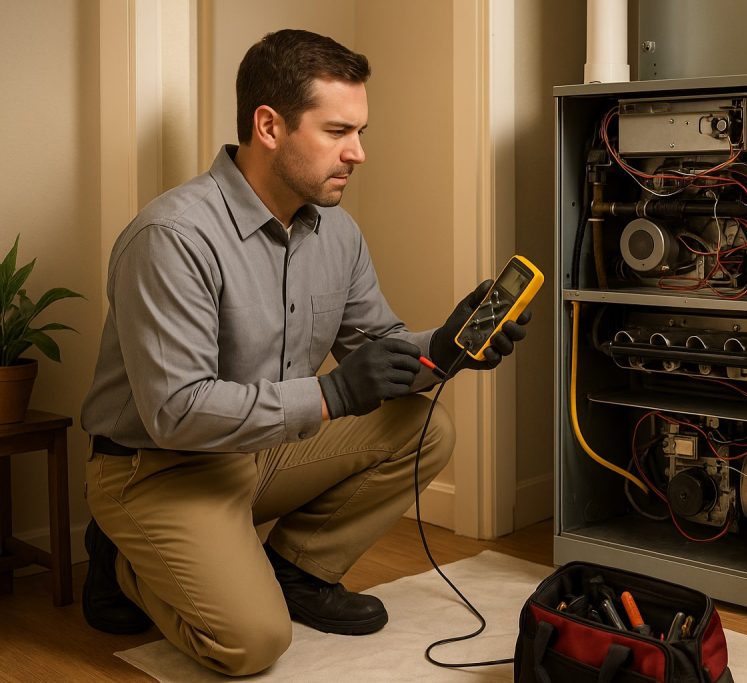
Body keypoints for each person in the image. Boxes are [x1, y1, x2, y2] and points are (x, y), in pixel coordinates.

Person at [79, 29, 530, 677]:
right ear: (268, 125)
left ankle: (298, 570)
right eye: (338, 131)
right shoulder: (172, 237)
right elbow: (174, 412)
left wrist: (447, 348)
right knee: (252, 643)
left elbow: (374, 349)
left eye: (361, 131)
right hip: (158, 467)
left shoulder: (337, 232)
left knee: (422, 430)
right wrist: (334, 393)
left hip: (259, 450)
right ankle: (121, 558)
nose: (359, 153)